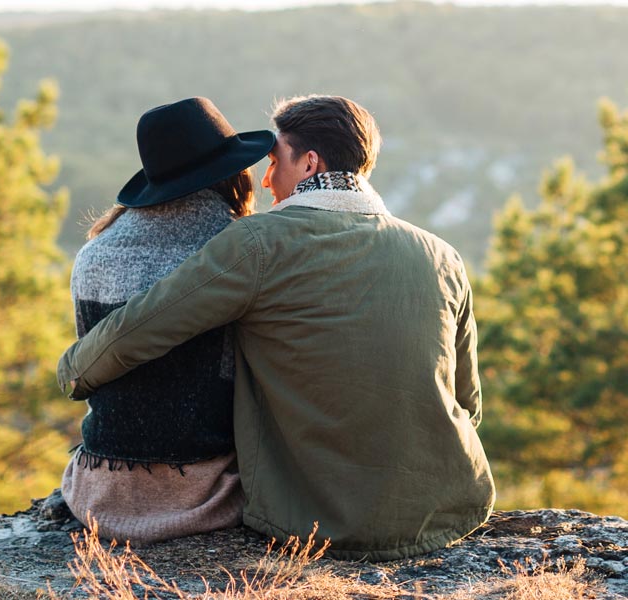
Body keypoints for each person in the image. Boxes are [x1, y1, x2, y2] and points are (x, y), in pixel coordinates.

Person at [58, 95, 496, 560]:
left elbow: (137, 330)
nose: (265, 180)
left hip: (317, 520)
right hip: (453, 507)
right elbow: (466, 402)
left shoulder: (259, 244)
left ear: (309, 163)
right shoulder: (442, 254)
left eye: (273, 161)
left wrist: (73, 371)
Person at [59, 97, 274, 545]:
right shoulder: (238, 246)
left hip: (98, 490)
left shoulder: (94, 252)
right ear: (234, 171)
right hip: (203, 492)